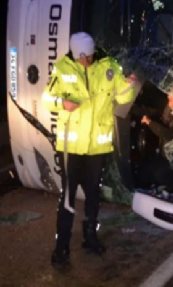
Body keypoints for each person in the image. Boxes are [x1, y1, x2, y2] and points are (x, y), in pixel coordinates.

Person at [42, 32, 138, 268]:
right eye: (82, 56)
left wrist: (130, 85)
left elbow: (123, 99)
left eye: (89, 55)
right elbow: (46, 98)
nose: (86, 60)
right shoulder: (63, 68)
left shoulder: (109, 66)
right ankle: (61, 248)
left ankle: (90, 237)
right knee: (67, 197)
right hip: (71, 147)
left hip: (97, 146)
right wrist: (62, 104)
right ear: (76, 55)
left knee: (94, 194)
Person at [133, 89, 173, 194]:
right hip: (163, 155)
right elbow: (153, 113)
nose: (169, 97)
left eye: (172, 94)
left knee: (157, 171)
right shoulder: (169, 108)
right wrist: (135, 110)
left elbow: (170, 134)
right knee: (143, 170)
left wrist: (150, 123)